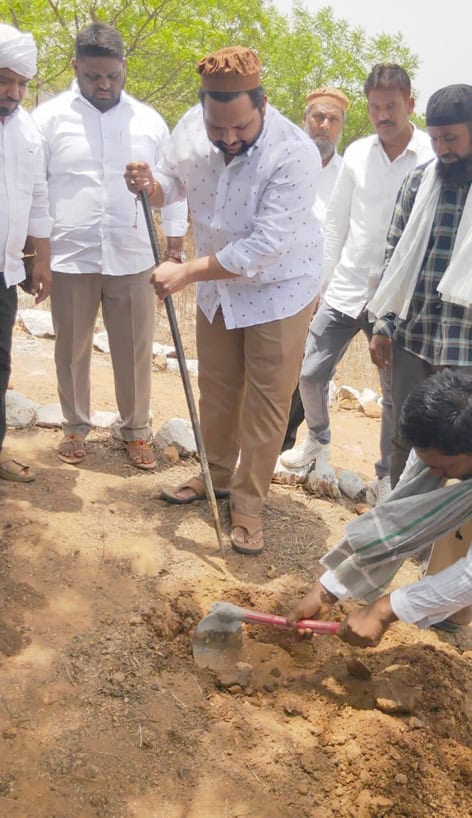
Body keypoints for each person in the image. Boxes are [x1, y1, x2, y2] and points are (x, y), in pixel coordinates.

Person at [125, 46, 323, 554]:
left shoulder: (294, 152)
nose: (229, 138)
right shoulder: (192, 127)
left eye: (241, 127)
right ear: (203, 110)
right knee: (216, 386)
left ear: (262, 105)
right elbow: (171, 186)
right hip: (218, 287)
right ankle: (215, 475)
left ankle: (249, 503)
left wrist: (186, 271)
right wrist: (150, 186)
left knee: (265, 399)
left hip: (279, 289)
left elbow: (264, 247)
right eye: (218, 128)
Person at [32, 23, 187, 469]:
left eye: (112, 76)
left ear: (124, 68)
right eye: (93, 76)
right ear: (75, 66)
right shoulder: (48, 120)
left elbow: (175, 186)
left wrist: (174, 250)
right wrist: (36, 254)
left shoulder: (149, 121)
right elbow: (36, 189)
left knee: (135, 348)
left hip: (133, 254)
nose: (104, 85)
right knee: (71, 348)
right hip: (70, 255)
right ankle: (74, 426)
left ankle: (135, 430)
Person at [280, 64, 434, 504]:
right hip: (346, 288)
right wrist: (321, 284)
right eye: (374, 107)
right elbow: (336, 224)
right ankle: (318, 440)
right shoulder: (359, 152)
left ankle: (386, 476)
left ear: (409, 104)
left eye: (391, 106)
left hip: (397, 297)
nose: (382, 115)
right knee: (310, 373)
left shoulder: (429, 154)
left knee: (393, 394)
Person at [289, 369, 472, 647]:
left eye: (443, 467)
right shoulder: (443, 440)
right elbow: (400, 517)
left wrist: (386, 609)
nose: (434, 475)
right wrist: (328, 589)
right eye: (429, 466)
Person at [369, 84, 472, 487]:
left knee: (464, 442)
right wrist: (383, 324)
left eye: (452, 139)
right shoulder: (418, 182)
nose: (442, 149)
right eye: (435, 139)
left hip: (466, 343)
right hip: (415, 334)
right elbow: (395, 255)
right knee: (406, 433)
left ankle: (455, 526)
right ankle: (402, 518)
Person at [281, 86, 349, 454]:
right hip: (277, 285)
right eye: (318, 117)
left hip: (323, 292)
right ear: (304, 120)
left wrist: (328, 289)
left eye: (333, 119)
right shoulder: (283, 161)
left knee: (307, 370)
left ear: (341, 126)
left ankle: (282, 445)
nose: (324, 125)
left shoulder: (348, 174)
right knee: (265, 363)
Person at [0, 24, 51, 483]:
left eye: (21, 83)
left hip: (5, 271)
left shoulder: (27, 130)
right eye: (5, 81)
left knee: (0, 363)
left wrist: (41, 261)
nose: (14, 93)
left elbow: (37, 196)